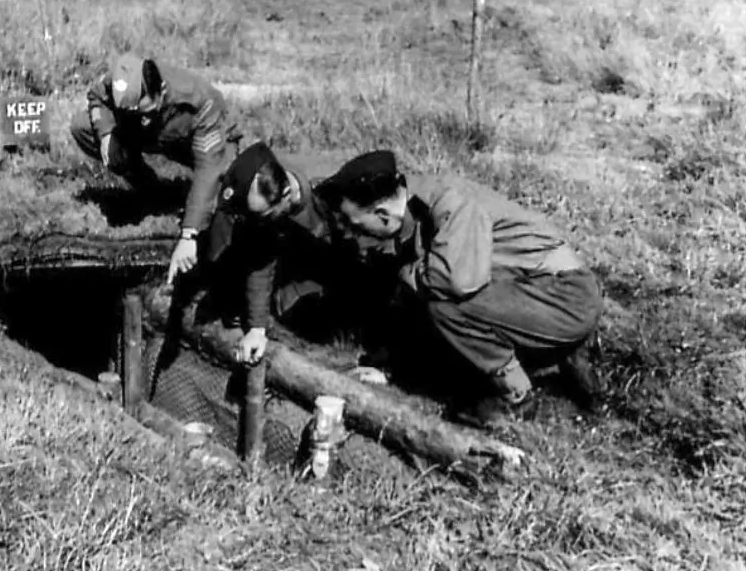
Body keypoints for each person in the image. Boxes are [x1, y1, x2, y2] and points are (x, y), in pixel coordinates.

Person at [319, 150, 604, 414]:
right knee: (430, 297)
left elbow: (455, 282)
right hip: (532, 290)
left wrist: (407, 273)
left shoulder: (450, 203)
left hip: (566, 296)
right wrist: (387, 367)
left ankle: (514, 396)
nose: (353, 235)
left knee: (448, 306)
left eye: (356, 226)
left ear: (382, 215)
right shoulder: (414, 208)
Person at [70, 53, 241, 284]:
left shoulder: (198, 101)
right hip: (152, 137)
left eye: (149, 113)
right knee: (82, 126)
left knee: (228, 191)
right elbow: (96, 98)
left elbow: (208, 170)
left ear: (160, 90)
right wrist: (106, 134)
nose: (145, 120)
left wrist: (189, 234)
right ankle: (151, 191)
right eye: (137, 114)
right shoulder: (119, 80)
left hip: (194, 139)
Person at [203, 142, 370, 367]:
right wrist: (257, 328)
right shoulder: (263, 197)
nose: (258, 222)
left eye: (264, 216)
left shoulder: (333, 191)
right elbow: (260, 261)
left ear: (286, 194)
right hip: (306, 279)